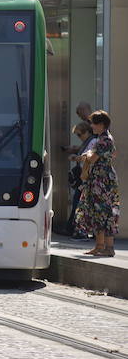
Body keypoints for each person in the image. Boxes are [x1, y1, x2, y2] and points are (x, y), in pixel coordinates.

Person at [74, 110, 121, 257]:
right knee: (97, 211)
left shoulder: (104, 140)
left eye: (94, 123)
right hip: (98, 178)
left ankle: (109, 247)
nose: (91, 126)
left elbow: (92, 158)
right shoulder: (102, 138)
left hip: (102, 179)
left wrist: (86, 156)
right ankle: (100, 246)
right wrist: (86, 156)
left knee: (104, 211)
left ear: (101, 124)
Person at [66, 122, 96, 238]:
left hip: (88, 178)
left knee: (79, 204)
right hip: (85, 178)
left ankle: (77, 230)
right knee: (79, 203)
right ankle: (75, 229)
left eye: (79, 135)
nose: (79, 137)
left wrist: (75, 157)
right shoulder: (88, 142)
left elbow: (88, 158)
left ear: (87, 132)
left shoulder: (93, 141)